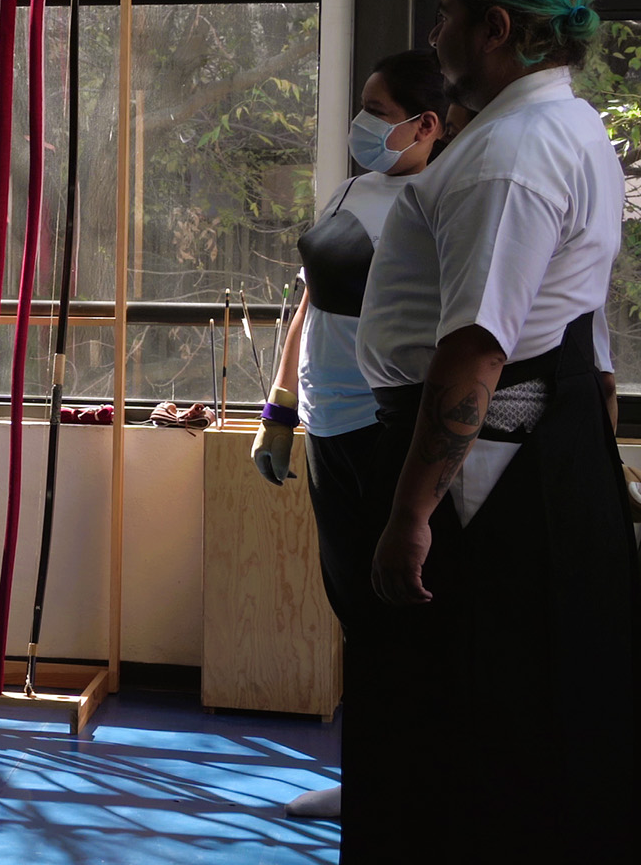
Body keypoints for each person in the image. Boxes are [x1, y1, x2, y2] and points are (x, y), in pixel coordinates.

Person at [353, 0, 637, 858]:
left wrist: (411, 513)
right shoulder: (577, 126)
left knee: (472, 716)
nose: (434, 36)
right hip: (544, 450)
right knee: (540, 709)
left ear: (496, 28)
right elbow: (583, 314)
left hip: (487, 476)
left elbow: (477, 351)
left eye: (446, 16)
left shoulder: (506, 156)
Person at [251, 49, 454, 820]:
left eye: (378, 110)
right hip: (325, 423)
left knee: (390, 614)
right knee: (351, 609)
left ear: (425, 125)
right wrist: (278, 412)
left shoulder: (439, 202)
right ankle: (370, 776)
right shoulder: (353, 188)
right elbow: (310, 306)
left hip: (384, 426)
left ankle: (404, 786)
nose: (361, 124)